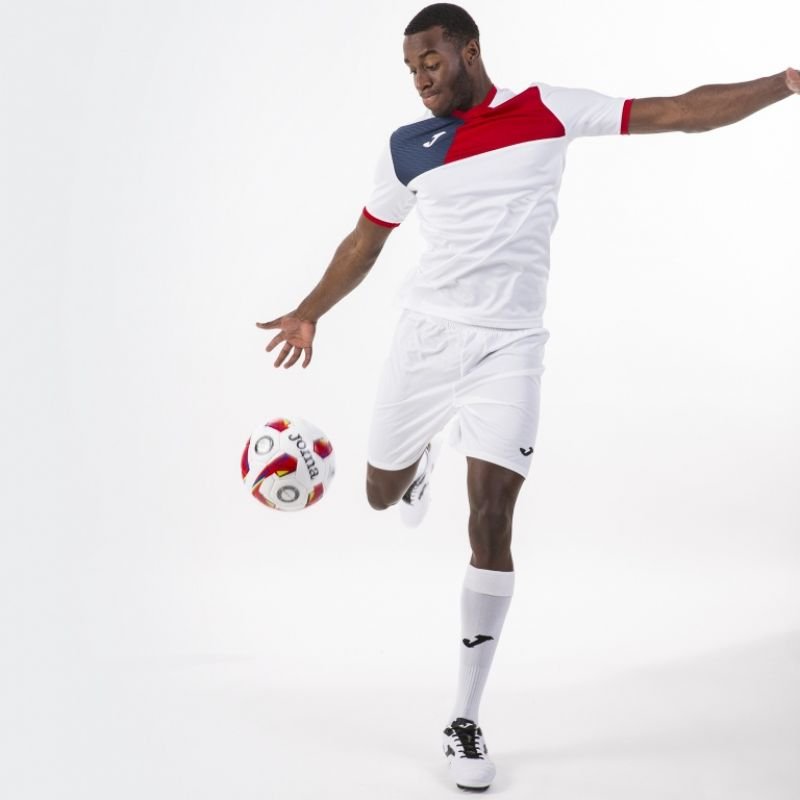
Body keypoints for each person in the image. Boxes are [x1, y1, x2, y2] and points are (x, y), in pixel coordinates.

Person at [257, 3, 799, 792]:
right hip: (427, 341)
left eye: (431, 60)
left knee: (491, 518)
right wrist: (310, 310)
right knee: (379, 494)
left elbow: (680, 111)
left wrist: (786, 82)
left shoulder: (547, 109)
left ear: (470, 51)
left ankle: (464, 717)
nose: (420, 79)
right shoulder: (409, 146)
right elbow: (365, 240)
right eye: (410, 68)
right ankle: (418, 464)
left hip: (509, 348)